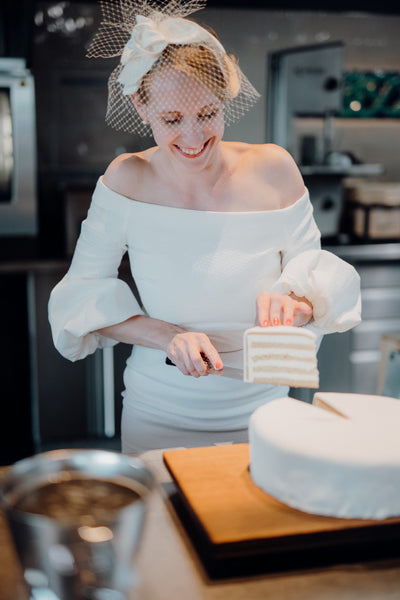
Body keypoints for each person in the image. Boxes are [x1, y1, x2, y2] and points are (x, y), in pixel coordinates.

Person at [48, 0, 361, 454]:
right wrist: (165, 335)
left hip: (266, 412)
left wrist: (296, 302)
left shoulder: (275, 168)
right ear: (141, 106)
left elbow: (312, 272)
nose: (193, 139)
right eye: (172, 120)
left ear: (226, 98)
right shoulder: (126, 179)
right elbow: (82, 291)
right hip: (158, 412)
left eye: (208, 114)